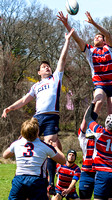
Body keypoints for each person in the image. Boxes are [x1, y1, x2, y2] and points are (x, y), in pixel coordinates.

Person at [2, 28, 74, 194]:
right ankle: (20, 175)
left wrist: (67, 40)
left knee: (49, 144)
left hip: (51, 117)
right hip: (37, 117)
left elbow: (62, 60)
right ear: (39, 72)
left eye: (48, 66)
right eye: (43, 66)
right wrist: (10, 108)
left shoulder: (56, 77)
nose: (47, 67)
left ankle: (50, 182)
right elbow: (24, 100)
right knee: (23, 140)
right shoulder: (36, 85)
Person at [57, 11, 112, 116]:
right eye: (95, 36)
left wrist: (94, 23)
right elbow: (77, 39)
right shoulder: (89, 50)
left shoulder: (109, 48)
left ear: (104, 41)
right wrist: (66, 24)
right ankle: (85, 129)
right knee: (98, 101)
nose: (96, 37)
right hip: (100, 84)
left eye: (99, 37)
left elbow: (108, 35)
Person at [3, 117, 66, 200]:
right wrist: (55, 147)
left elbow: (5, 155)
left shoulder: (16, 144)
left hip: (19, 180)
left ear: (22, 132)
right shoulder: (45, 146)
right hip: (37, 181)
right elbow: (63, 160)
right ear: (37, 132)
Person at [84, 102, 112, 200]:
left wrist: (92, 104)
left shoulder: (100, 132)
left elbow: (88, 118)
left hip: (102, 174)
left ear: (106, 124)